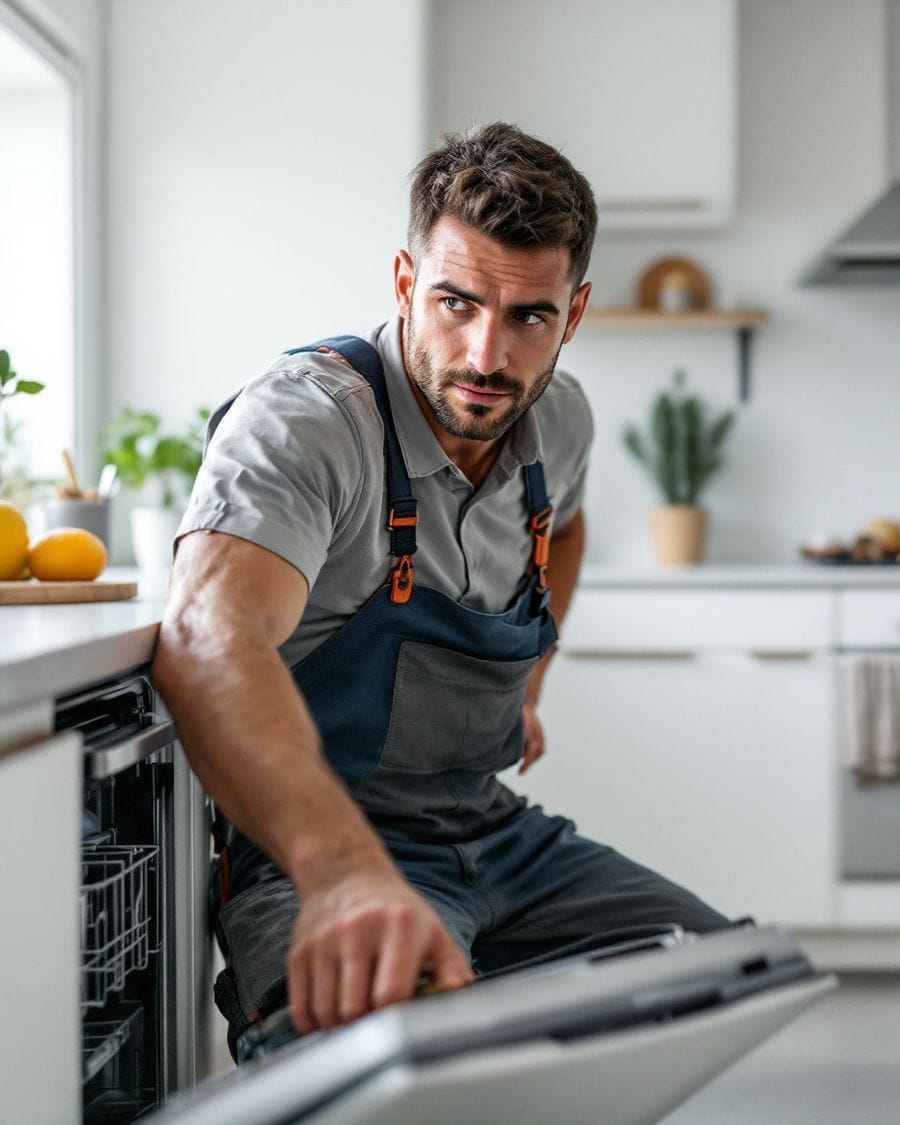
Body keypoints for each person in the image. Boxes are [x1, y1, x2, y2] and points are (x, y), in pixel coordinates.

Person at [152, 121, 730, 1054]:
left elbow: (567, 527)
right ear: (404, 282)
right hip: (316, 845)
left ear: (573, 314)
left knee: (717, 981)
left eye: (529, 317)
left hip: (492, 828)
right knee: (380, 1058)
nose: (487, 356)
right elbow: (208, 639)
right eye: (456, 302)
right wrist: (341, 869)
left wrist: (534, 674)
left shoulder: (560, 418)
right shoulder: (306, 423)